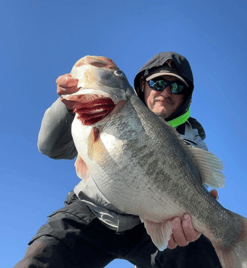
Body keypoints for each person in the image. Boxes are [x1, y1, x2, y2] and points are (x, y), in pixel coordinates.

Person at [14, 52, 222, 268]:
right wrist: (66, 105)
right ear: (143, 85)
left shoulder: (193, 140)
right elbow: (50, 147)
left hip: (150, 226)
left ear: (186, 96)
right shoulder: (106, 109)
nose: (166, 92)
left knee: (200, 248)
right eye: (158, 83)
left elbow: (195, 191)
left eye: (176, 87)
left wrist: (200, 221)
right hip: (92, 209)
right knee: (41, 259)